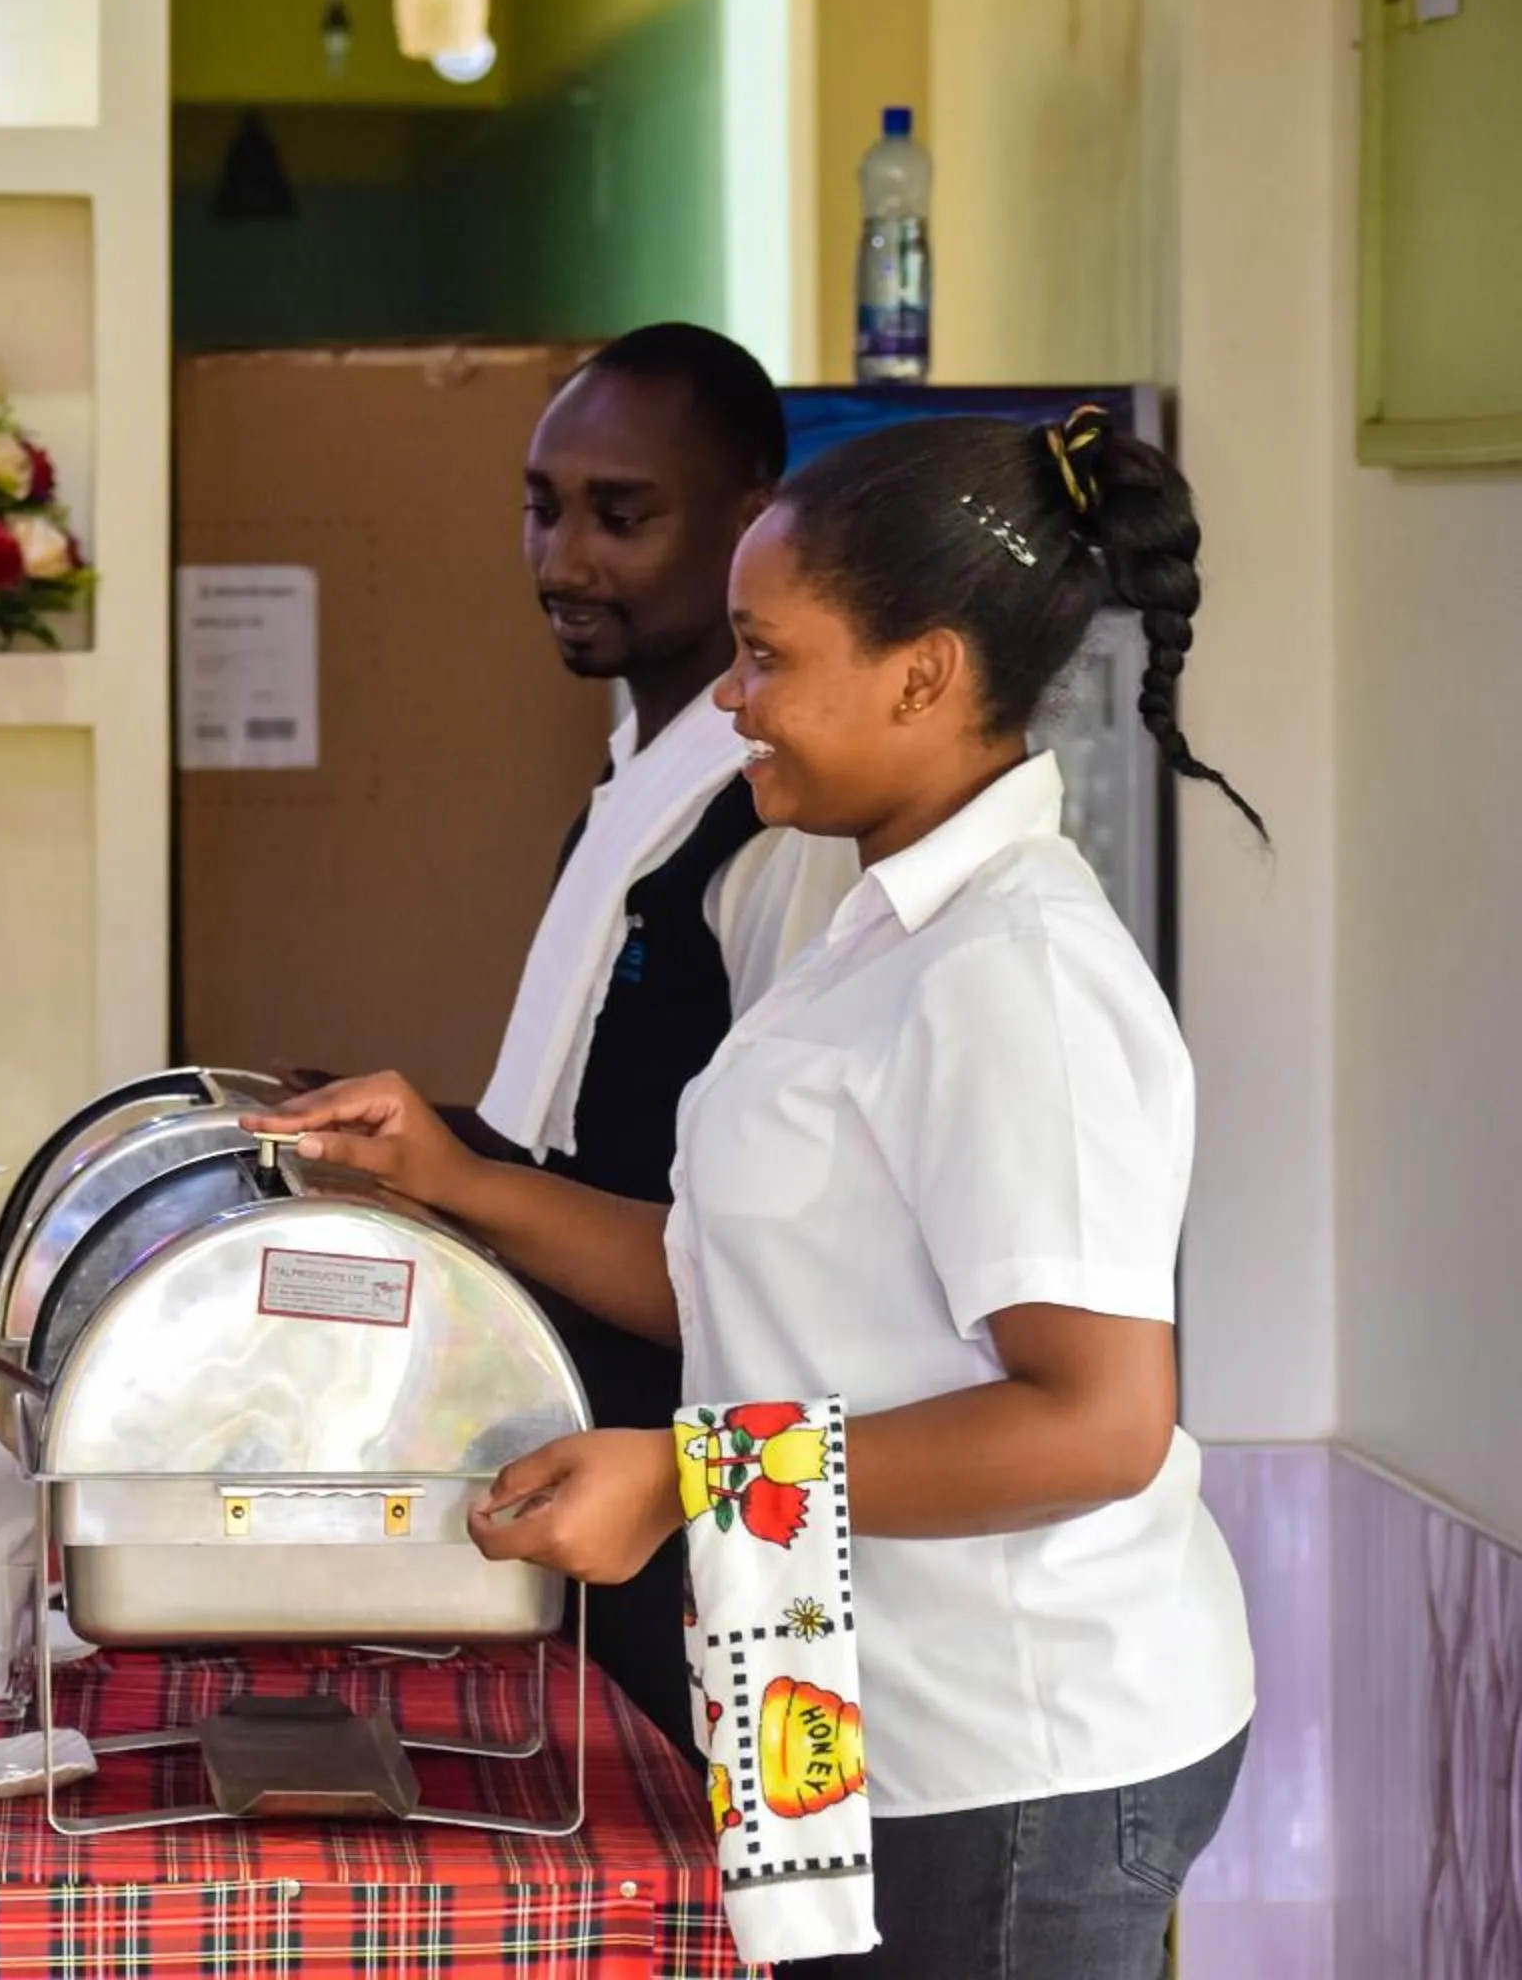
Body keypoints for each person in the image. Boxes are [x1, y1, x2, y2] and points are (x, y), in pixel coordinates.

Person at [265, 408, 1259, 1977]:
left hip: (1014, 1755)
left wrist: (686, 1477)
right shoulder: (875, 928)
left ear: (923, 674)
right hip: (853, 1713)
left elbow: (1098, 1424)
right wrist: (456, 1181)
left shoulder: (1019, 976)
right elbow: (744, 1281)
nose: (730, 699)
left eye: (766, 657)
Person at [452, 324, 855, 1762]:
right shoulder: (636, 774)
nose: (564, 560)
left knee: (716, 1848)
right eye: (541, 507)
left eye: (621, 517)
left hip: (706, 1475)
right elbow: (571, 1125)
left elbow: (772, 1235)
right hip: (590, 1445)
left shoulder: (780, 819)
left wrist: (455, 1173)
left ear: (753, 522)